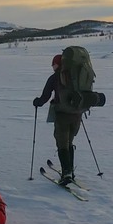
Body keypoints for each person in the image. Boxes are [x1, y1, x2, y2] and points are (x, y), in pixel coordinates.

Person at [33, 54, 81, 185]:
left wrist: (37, 102)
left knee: (62, 144)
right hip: (77, 115)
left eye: (53, 64)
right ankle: (70, 169)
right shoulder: (76, 77)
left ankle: (67, 173)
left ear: (58, 64)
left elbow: (45, 96)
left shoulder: (55, 78)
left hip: (62, 115)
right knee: (69, 142)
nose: (52, 66)